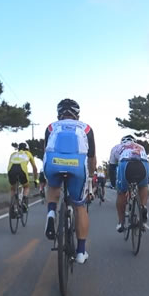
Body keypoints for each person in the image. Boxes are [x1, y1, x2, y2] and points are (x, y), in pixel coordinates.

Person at [43, 98, 96, 264]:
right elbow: (92, 158)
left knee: (53, 187)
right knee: (79, 206)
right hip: (77, 165)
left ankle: (51, 213)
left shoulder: (51, 127)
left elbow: (45, 151)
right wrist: (90, 178)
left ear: (59, 114)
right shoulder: (86, 128)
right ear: (77, 114)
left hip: (53, 163)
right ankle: (81, 252)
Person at [108, 135, 149, 232]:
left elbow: (112, 168)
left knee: (121, 193)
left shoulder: (116, 147)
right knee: (143, 186)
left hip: (126, 163)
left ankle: (121, 222)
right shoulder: (141, 147)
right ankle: (143, 206)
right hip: (143, 163)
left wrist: (114, 184)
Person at [6, 142, 38, 211]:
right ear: (27, 149)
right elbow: (34, 168)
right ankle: (24, 202)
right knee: (26, 187)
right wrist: (36, 180)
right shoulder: (28, 153)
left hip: (11, 171)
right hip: (21, 170)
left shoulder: (13, 154)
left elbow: (9, 165)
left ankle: (12, 206)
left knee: (13, 188)